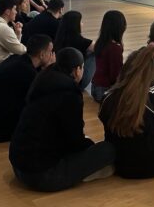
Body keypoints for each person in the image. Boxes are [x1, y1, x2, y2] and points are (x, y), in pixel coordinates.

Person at [9, 48, 115, 192]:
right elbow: (75, 140)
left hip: (18, 164)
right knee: (108, 150)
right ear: (77, 70)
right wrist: (90, 148)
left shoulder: (43, 80)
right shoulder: (70, 95)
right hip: (41, 175)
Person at [99, 45, 154, 179]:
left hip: (123, 168)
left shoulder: (107, 98)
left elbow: (104, 120)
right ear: (148, 76)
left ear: (124, 69)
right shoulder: (150, 95)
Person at [0, 34, 56, 142]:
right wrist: (50, 69)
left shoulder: (16, 59)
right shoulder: (28, 73)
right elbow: (45, 95)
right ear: (42, 54)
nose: (53, 55)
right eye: (50, 52)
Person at [91, 10, 127, 102]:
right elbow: (115, 76)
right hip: (104, 91)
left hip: (95, 87)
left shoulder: (101, 42)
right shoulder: (114, 48)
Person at [54, 10, 95, 89]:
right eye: (80, 22)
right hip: (77, 81)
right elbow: (100, 47)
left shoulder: (59, 37)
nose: (82, 24)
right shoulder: (80, 41)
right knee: (94, 54)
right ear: (75, 25)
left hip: (61, 78)